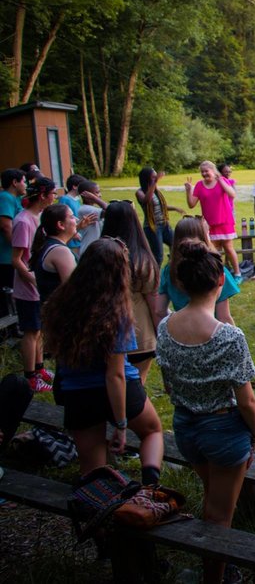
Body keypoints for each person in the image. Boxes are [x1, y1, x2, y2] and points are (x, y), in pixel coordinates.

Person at [156, 239, 255, 584]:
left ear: (181, 284)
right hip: (223, 430)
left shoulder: (165, 327)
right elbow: (246, 400)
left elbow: (169, 383)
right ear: (220, 282)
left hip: (186, 427)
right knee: (220, 515)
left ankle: (214, 565)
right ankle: (215, 576)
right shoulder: (228, 336)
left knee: (212, 498)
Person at [43, 237, 164, 484]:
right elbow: (115, 375)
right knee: (152, 431)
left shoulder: (60, 303)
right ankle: (151, 486)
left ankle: (97, 510)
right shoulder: (116, 312)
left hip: (78, 392)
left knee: (92, 469)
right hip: (118, 391)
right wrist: (120, 424)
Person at [101, 202, 161, 384]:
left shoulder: (97, 254)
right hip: (138, 333)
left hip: (104, 331)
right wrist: (161, 333)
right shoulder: (141, 260)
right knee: (135, 387)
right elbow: (154, 303)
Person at [12, 178, 56, 392]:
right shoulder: (23, 221)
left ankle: (39, 370)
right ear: (42, 195)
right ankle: (30, 377)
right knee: (31, 332)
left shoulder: (38, 218)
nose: (54, 197)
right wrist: (33, 279)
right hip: (27, 289)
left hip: (38, 287)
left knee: (39, 330)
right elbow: (17, 259)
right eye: (52, 193)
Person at [156, 217, 240, 325]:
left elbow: (159, 310)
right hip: (211, 332)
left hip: (184, 333)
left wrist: (177, 321)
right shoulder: (215, 270)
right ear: (204, 238)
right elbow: (224, 317)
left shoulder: (169, 270)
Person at [185, 160, 241, 281]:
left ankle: (237, 274)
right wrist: (189, 190)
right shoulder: (199, 185)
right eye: (202, 172)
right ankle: (218, 273)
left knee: (228, 247)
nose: (204, 174)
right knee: (212, 249)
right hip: (209, 223)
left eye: (206, 171)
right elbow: (191, 204)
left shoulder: (222, 181)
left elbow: (232, 194)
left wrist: (220, 180)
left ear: (213, 171)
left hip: (225, 220)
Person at [136, 167, 183, 267]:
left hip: (164, 225)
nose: (155, 179)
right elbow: (146, 200)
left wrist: (175, 208)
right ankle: (154, 278)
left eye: (156, 177)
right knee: (158, 256)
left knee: (177, 245)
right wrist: (155, 183)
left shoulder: (156, 191)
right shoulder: (140, 192)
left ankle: (172, 267)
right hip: (152, 227)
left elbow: (161, 206)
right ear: (146, 178)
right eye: (153, 177)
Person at [0, 169, 27, 310]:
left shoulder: (14, 199)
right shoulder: (5, 197)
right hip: (6, 257)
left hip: (12, 256)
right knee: (8, 293)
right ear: (15, 183)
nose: (26, 185)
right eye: (24, 181)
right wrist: (19, 247)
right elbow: (6, 226)